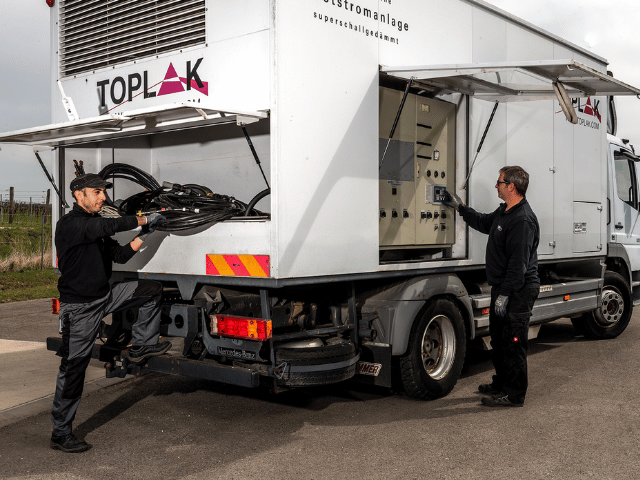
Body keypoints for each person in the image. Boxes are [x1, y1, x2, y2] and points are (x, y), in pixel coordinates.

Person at [51, 173, 168, 453]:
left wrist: (146, 235)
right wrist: (143, 218)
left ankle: (142, 345)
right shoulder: (71, 225)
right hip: (79, 309)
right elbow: (108, 226)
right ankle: (60, 433)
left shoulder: (95, 226)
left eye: (103, 191)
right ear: (79, 195)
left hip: (104, 297)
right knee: (73, 369)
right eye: (97, 192)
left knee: (150, 290)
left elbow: (120, 256)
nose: (103, 196)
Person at [443, 166, 540, 408]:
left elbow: (519, 266)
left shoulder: (523, 220)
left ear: (512, 187)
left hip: (518, 290)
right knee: (498, 339)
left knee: (514, 341)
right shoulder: (504, 211)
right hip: (503, 287)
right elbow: (484, 222)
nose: (495, 185)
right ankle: (502, 383)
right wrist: (461, 209)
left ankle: (514, 394)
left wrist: (505, 294)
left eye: (499, 182)